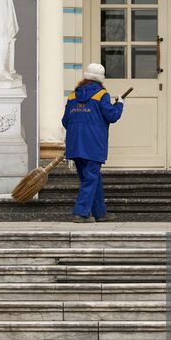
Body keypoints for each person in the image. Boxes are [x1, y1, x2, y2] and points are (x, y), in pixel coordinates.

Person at [61, 62, 124, 223]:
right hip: (93, 145)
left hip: (74, 145)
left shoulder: (73, 96)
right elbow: (111, 116)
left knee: (91, 178)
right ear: (101, 79)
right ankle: (80, 213)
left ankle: (100, 213)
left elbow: (65, 121)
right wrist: (120, 104)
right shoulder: (101, 95)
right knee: (90, 178)